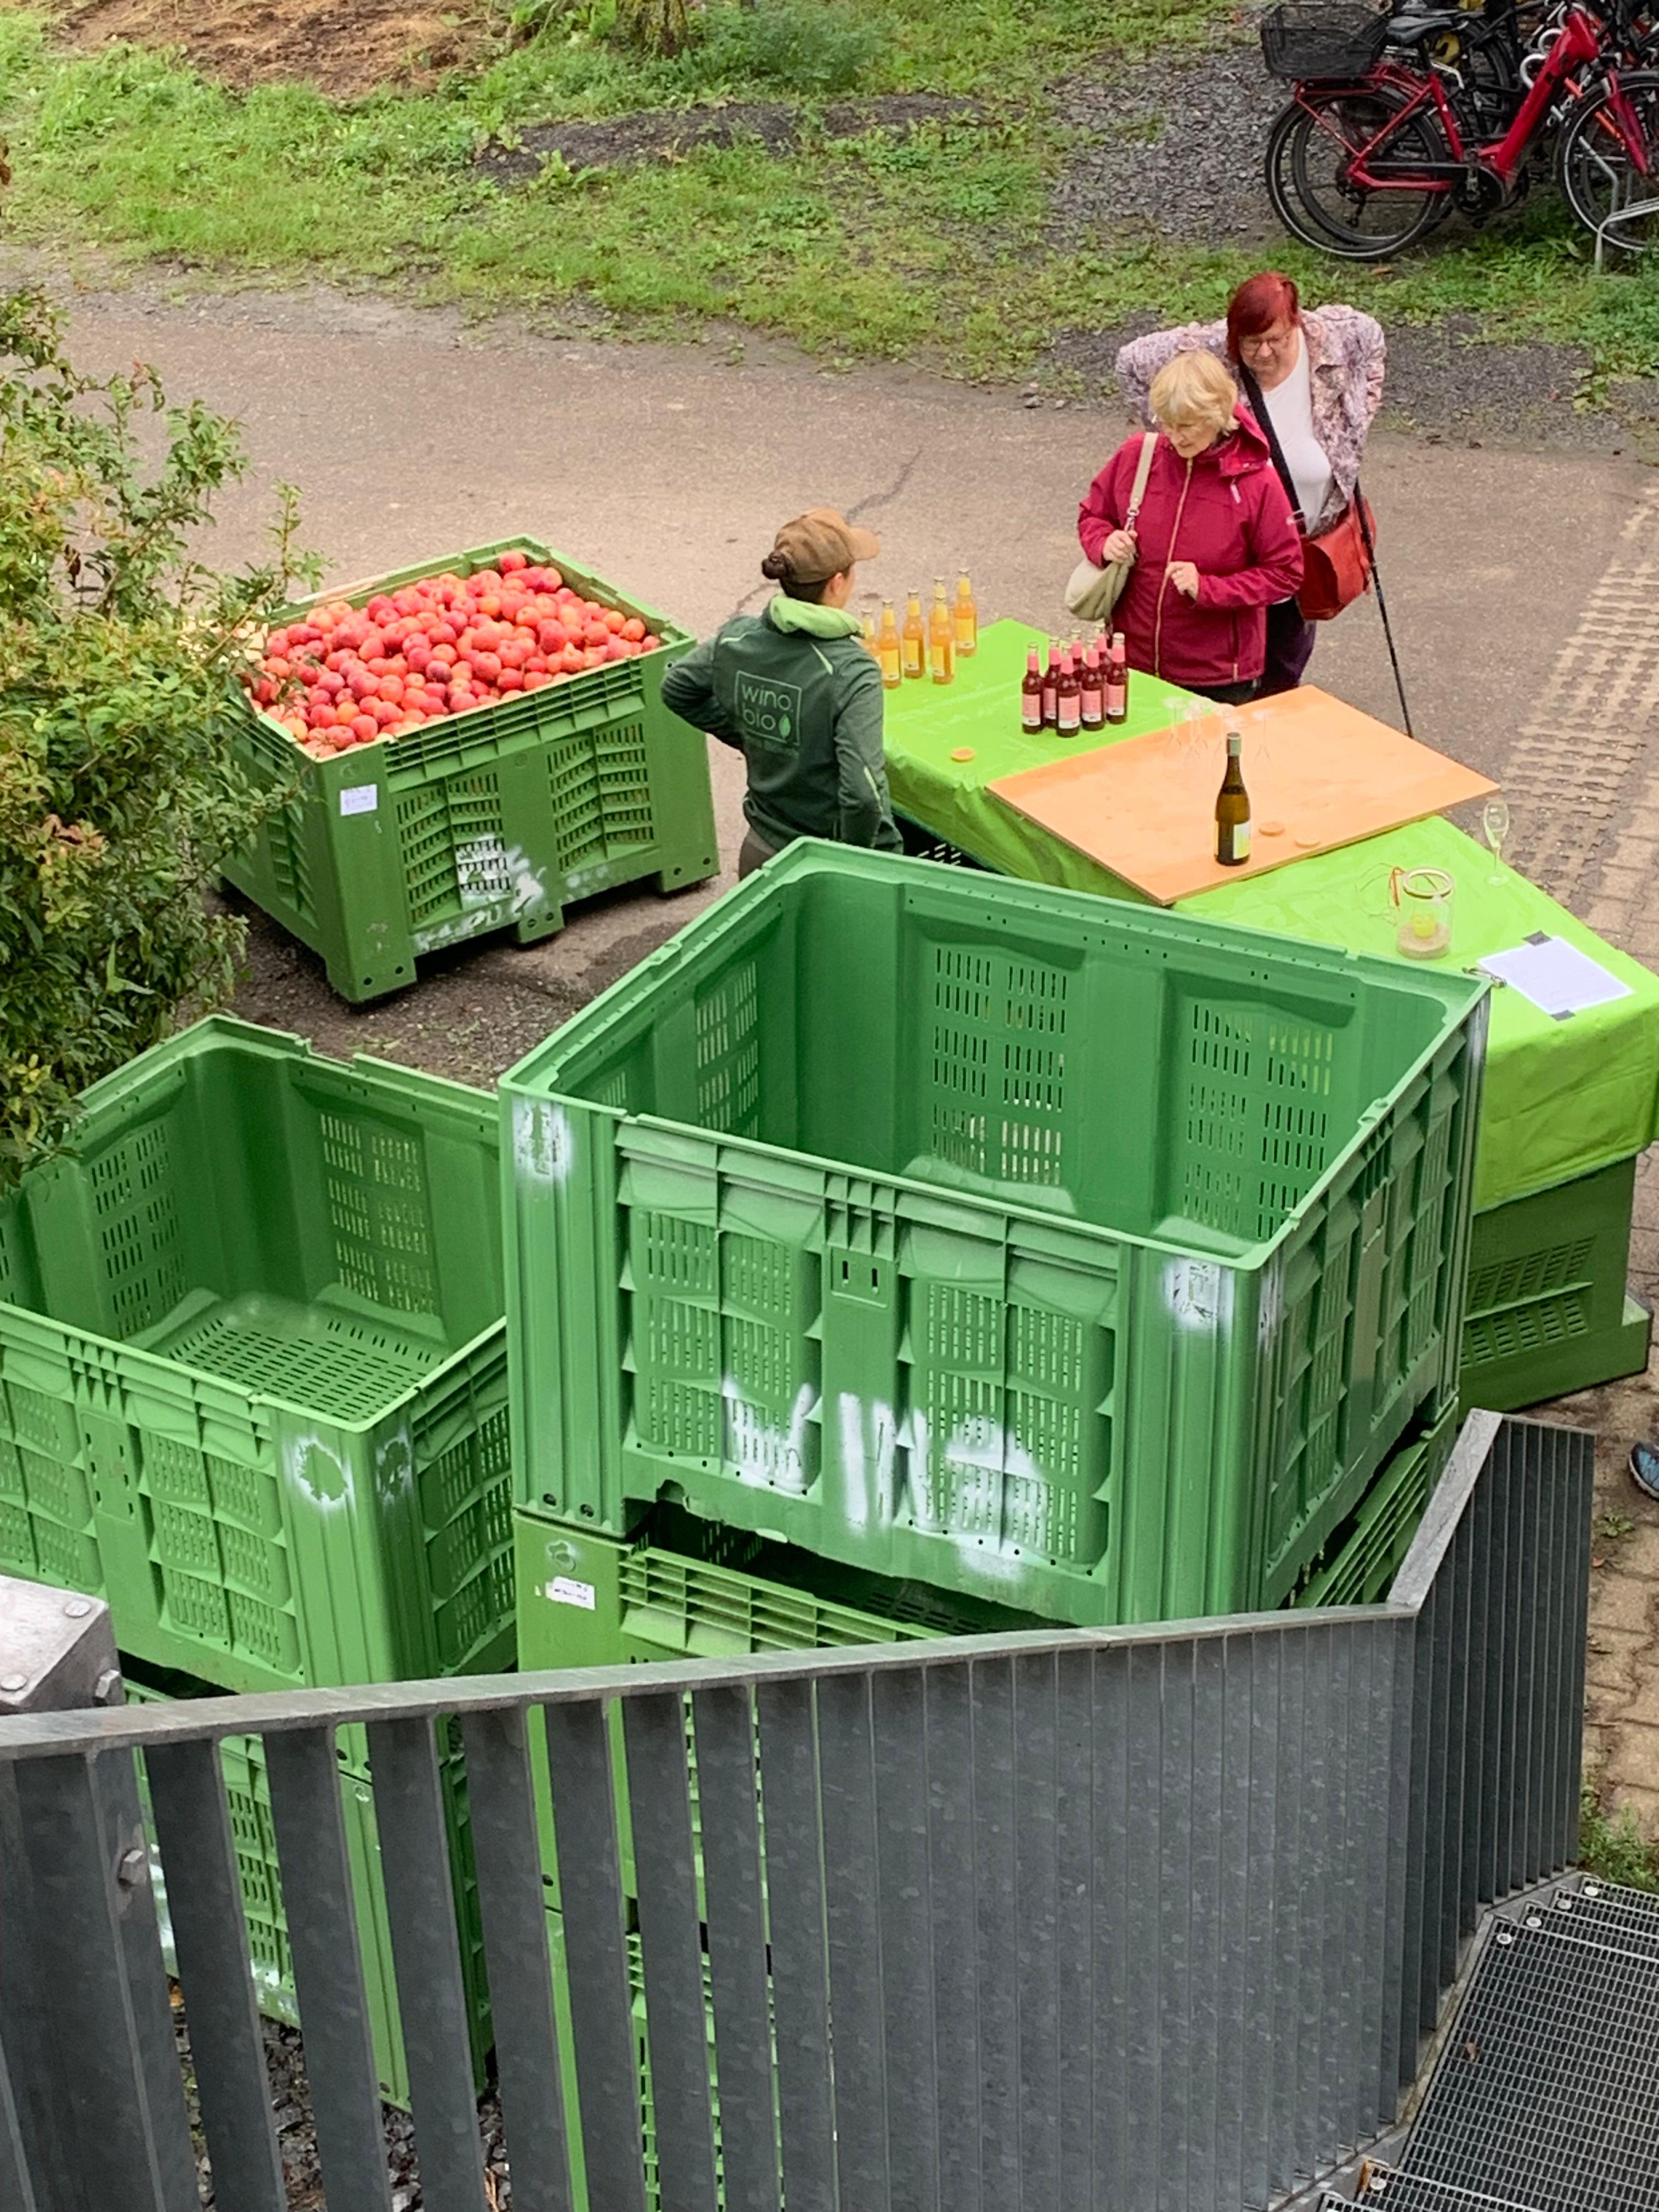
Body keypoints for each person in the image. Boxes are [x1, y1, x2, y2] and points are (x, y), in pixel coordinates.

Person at [1115, 274, 1385, 695]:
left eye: (1276, 340)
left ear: (1297, 323)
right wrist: (1183, 439)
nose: (1262, 353)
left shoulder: (1334, 338)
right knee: (1235, 675)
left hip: (1302, 544)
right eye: (1250, 342)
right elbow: (1131, 363)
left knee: (1283, 669)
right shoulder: (1213, 349)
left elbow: (1373, 341)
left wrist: (1355, 421)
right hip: (1237, 549)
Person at [662, 507, 901, 879]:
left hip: (762, 848)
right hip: (826, 866)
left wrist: (753, 734)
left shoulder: (737, 640)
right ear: (838, 582)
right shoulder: (852, 670)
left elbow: (677, 688)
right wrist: (856, 862)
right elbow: (863, 793)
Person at [1076, 351, 1303, 707]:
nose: (1174, 436)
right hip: (1129, 663)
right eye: (1166, 422)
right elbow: (1092, 515)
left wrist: (1210, 589)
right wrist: (1104, 543)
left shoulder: (1257, 481)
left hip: (1215, 678)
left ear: (1218, 416)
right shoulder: (1138, 455)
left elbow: (1286, 573)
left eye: (1187, 425)